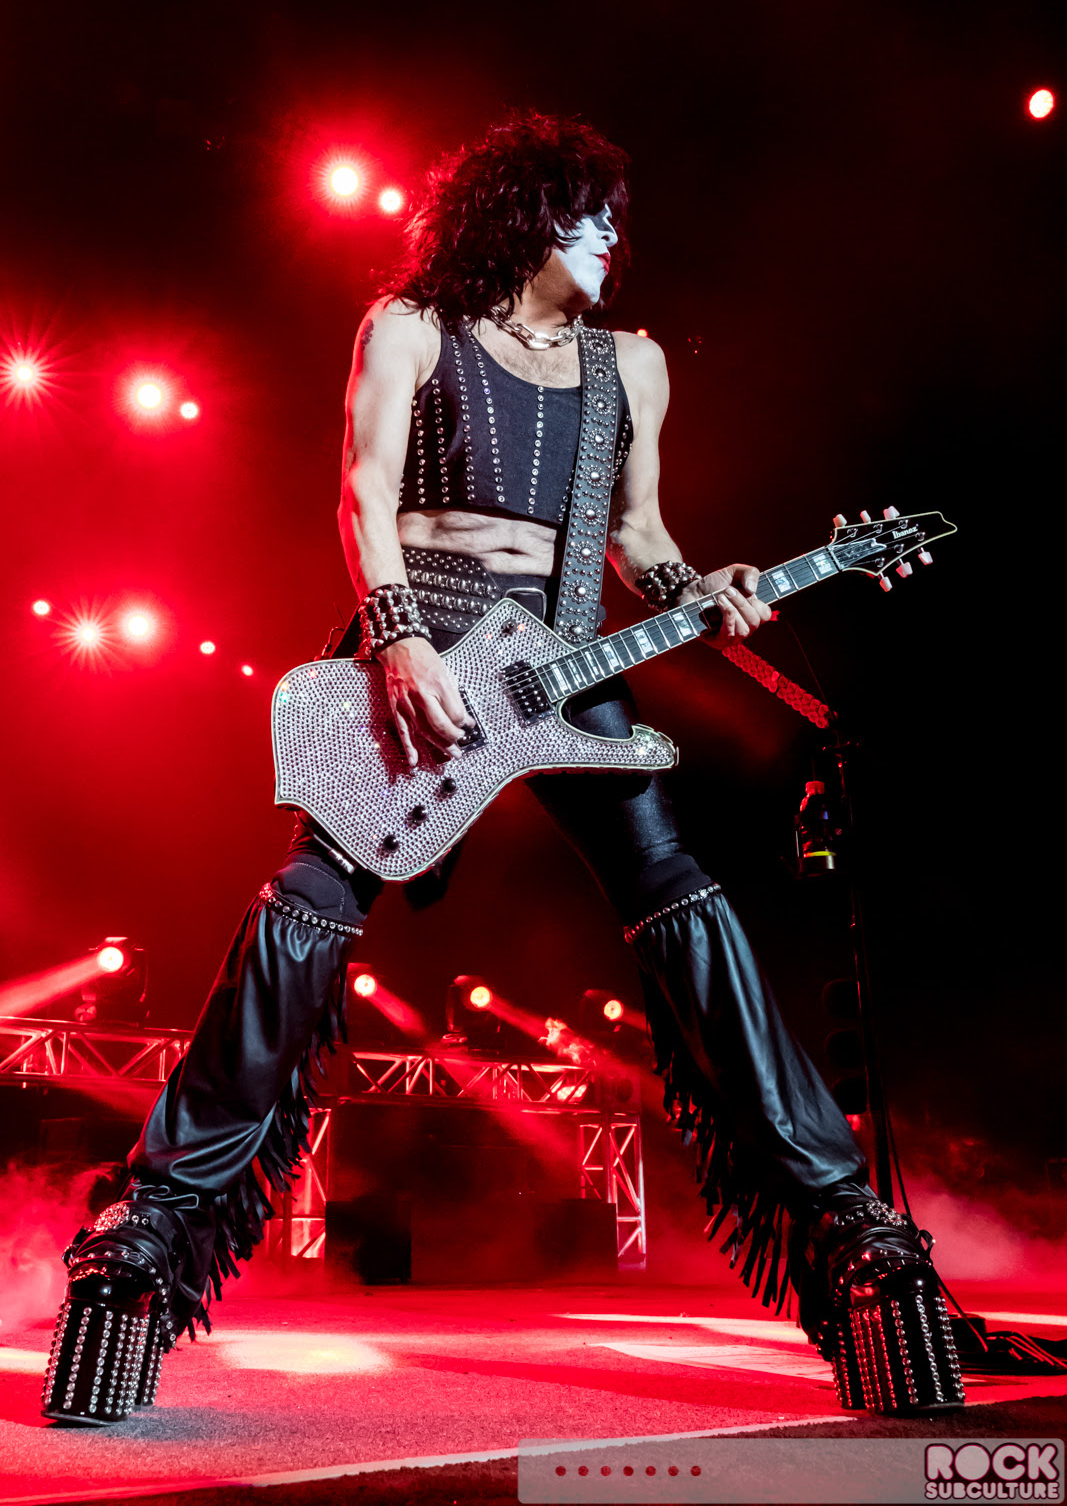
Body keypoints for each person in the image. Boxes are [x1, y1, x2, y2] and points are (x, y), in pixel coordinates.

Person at [43, 113, 963, 1426]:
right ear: (526, 214)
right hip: (422, 639)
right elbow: (363, 494)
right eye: (591, 217)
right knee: (310, 905)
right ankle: (151, 1225)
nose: (612, 242)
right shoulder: (410, 326)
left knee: (682, 900)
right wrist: (399, 638)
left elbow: (640, 539)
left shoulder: (630, 364)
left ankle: (847, 1227)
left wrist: (707, 592)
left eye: (617, 223)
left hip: (567, 659)